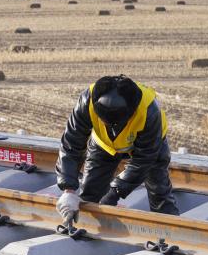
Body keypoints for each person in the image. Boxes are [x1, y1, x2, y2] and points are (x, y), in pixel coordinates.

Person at [55, 75, 179, 225]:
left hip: (149, 147)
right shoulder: (86, 101)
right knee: (90, 192)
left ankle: (169, 228)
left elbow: (144, 160)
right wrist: (68, 189)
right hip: (104, 145)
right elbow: (71, 143)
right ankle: (87, 228)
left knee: (159, 190)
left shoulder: (149, 111)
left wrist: (115, 193)